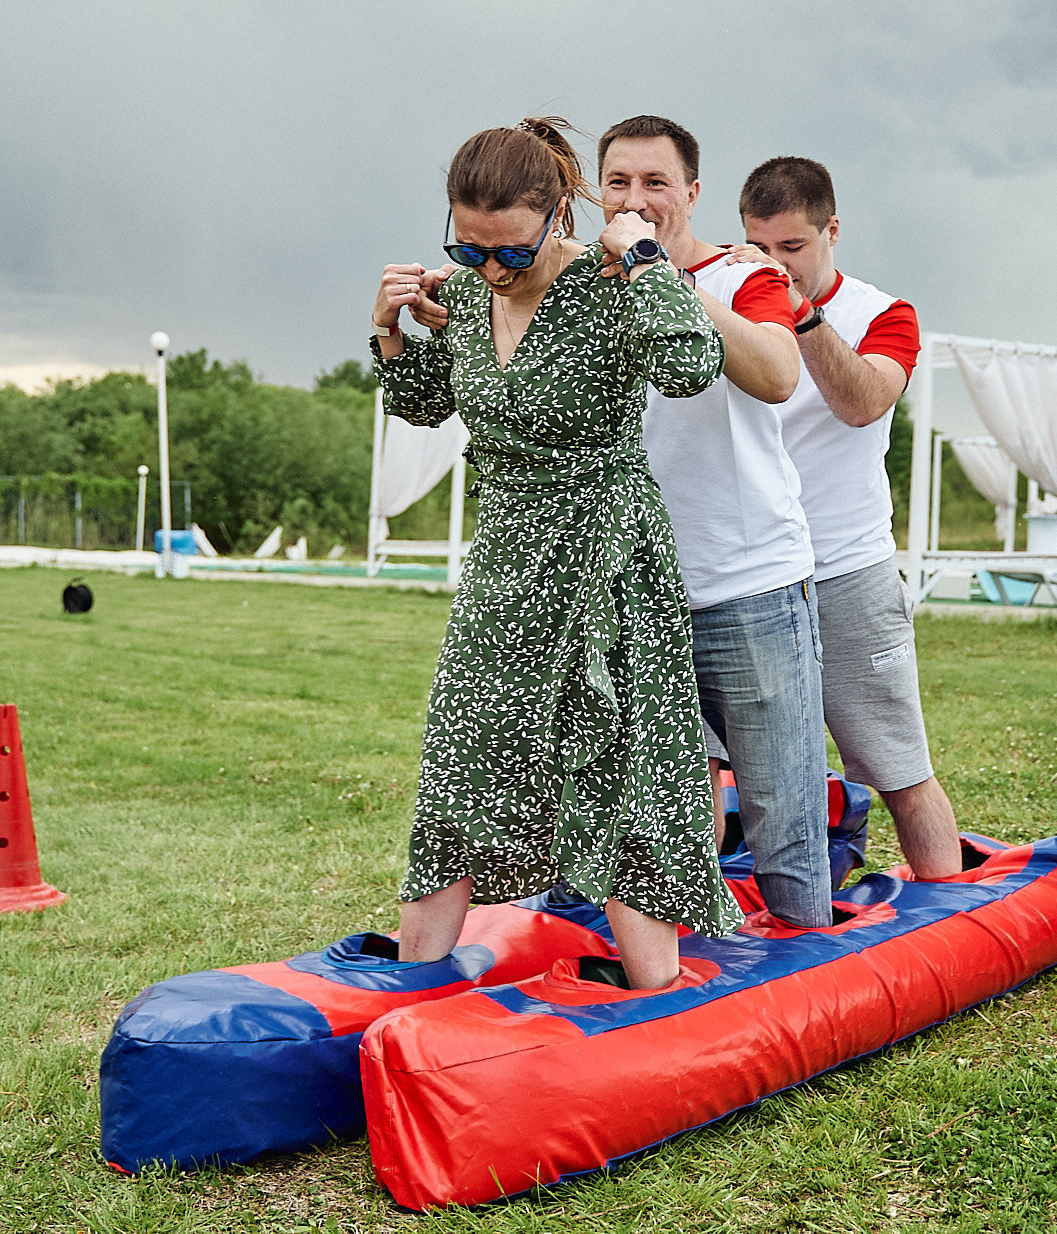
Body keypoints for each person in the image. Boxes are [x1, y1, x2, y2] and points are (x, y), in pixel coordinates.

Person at [370, 117, 737, 990]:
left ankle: (656, 986)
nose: (490, 269)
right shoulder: (463, 298)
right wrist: (390, 335)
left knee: (617, 758)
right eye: (469, 250)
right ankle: (413, 982)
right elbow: (428, 403)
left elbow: (690, 365)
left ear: (556, 216)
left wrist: (648, 256)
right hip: (505, 562)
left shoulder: (612, 283)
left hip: (606, 555)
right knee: (464, 757)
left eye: (509, 251)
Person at [595, 114, 833, 931]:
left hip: (753, 582)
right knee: (662, 816)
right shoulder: (584, 291)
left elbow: (775, 374)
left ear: (690, 193)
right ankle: (694, 990)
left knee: (783, 819)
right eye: (619, 182)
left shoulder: (743, 279)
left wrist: (663, 277)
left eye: (655, 183)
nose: (636, 199)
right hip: (642, 593)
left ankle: (812, 980)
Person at [733, 155, 967, 879]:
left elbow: (863, 401)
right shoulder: (721, 302)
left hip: (848, 567)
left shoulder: (885, 313)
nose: (775, 265)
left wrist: (799, 314)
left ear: (832, 230)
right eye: (760, 248)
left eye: (793, 247)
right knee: (705, 766)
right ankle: (700, 955)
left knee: (898, 766)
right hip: (745, 572)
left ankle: (956, 917)